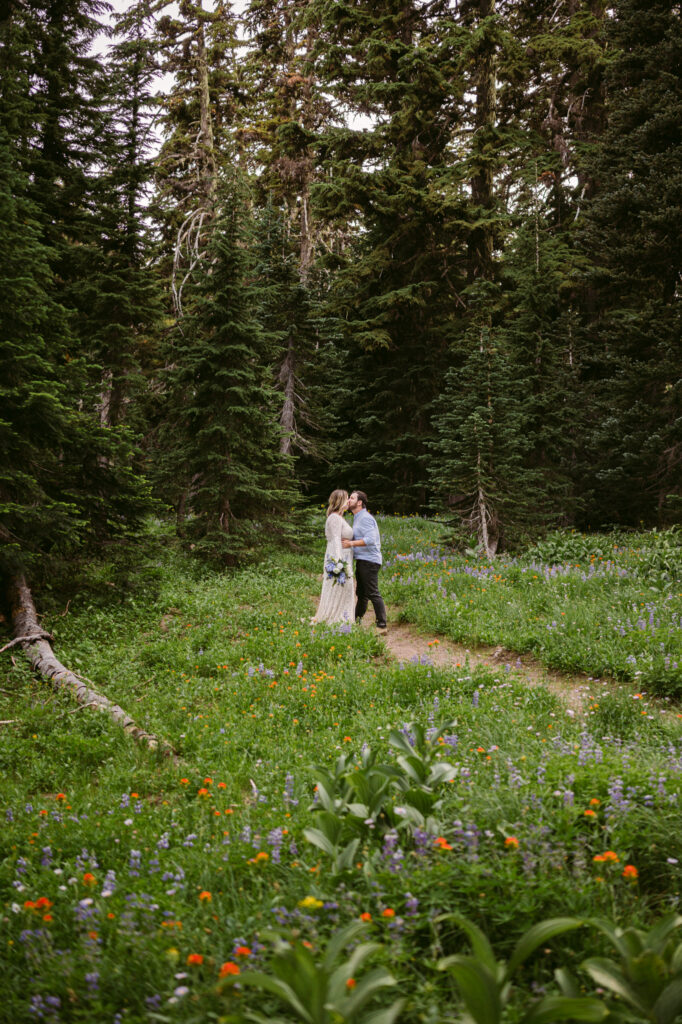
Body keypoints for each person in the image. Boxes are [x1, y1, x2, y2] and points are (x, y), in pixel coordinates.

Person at [343, 490, 387, 633]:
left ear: (360, 502)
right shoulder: (357, 517)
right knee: (361, 594)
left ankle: (382, 625)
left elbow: (370, 540)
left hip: (370, 561)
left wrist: (351, 544)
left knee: (372, 592)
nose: (349, 500)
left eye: (352, 498)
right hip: (363, 560)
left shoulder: (366, 518)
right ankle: (356, 621)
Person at [312, 489, 355, 625]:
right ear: (340, 500)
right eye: (347, 498)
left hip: (345, 557)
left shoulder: (339, 517)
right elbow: (336, 540)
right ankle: (336, 617)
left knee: (346, 588)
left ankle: (344, 616)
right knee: (341, 586)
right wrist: (338, 563)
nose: (348, 501)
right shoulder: (334, 518)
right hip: (339, 558)